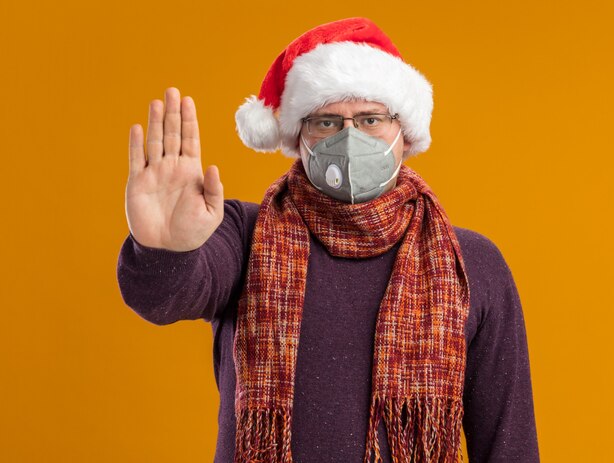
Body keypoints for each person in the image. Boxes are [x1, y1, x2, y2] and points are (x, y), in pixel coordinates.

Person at [117, 17, 540, 463]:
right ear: (299, 137)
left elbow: (509, 444)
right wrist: (165, 248)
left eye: (370, 119)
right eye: (325, 122)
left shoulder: (469, 262)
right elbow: (167, 298)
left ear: (405, 132)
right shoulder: (243, 234)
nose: (348, 138)